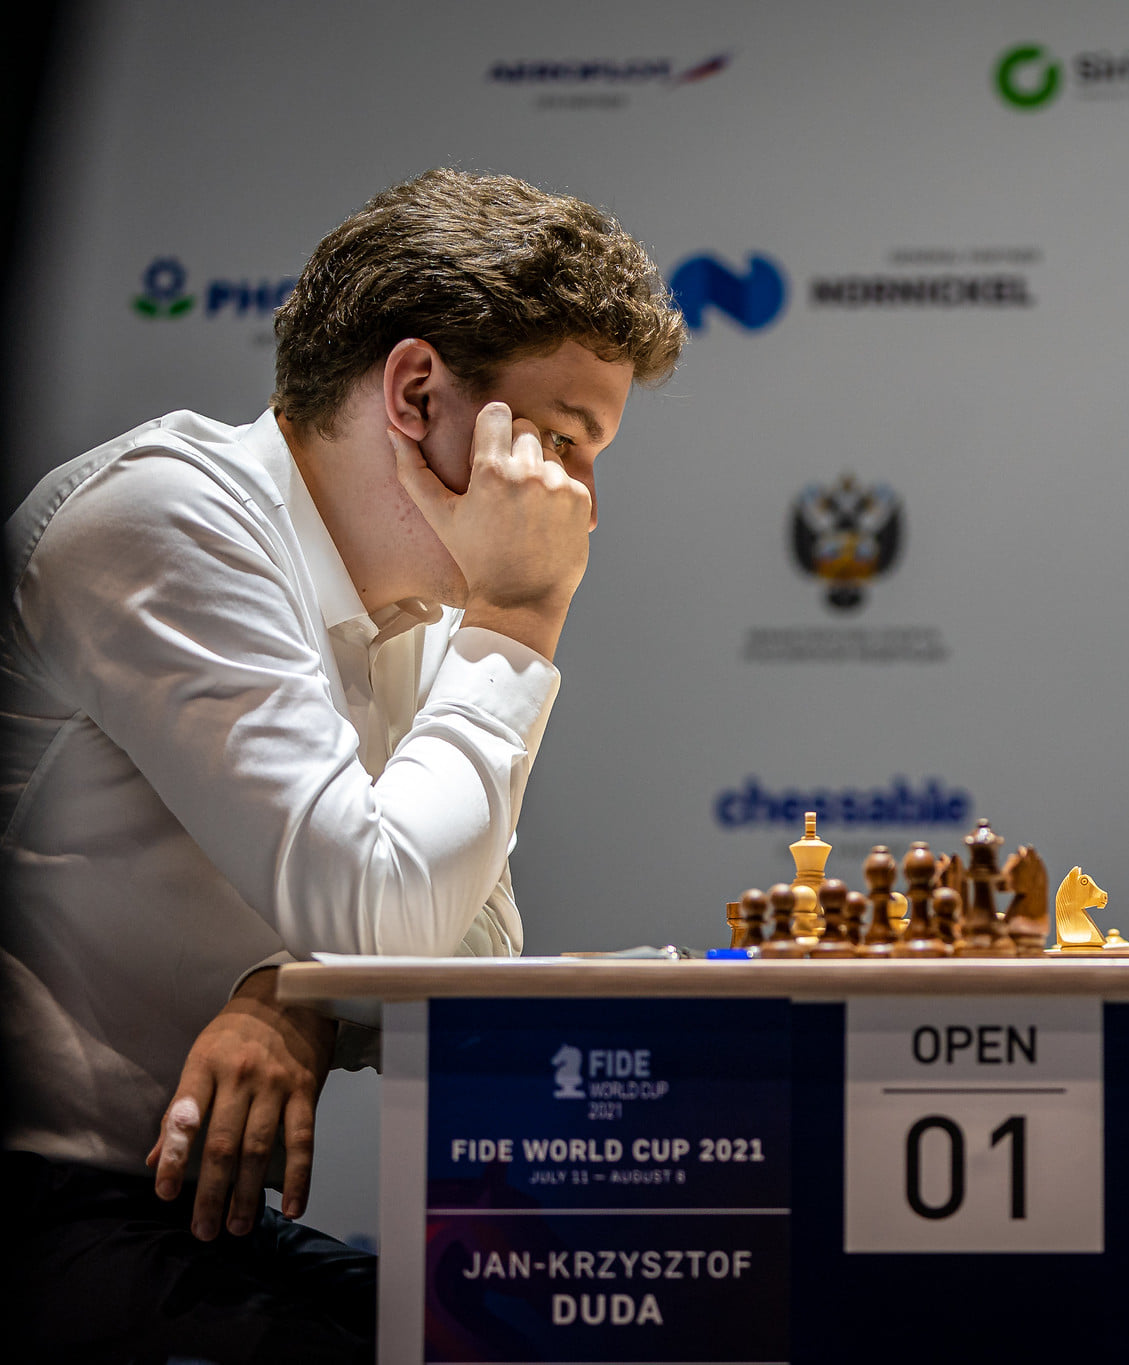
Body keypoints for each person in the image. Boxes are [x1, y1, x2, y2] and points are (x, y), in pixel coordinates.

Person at [1, 168, 684, 1361]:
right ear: (417, 391)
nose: (574, 502)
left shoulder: (417, 605)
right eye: (561, 443)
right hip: (43, 1208)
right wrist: (519, 616)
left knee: (569, 1340)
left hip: (185, 1216)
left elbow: (475, 935)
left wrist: (292, 996)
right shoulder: (162, 521)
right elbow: (392, 915)